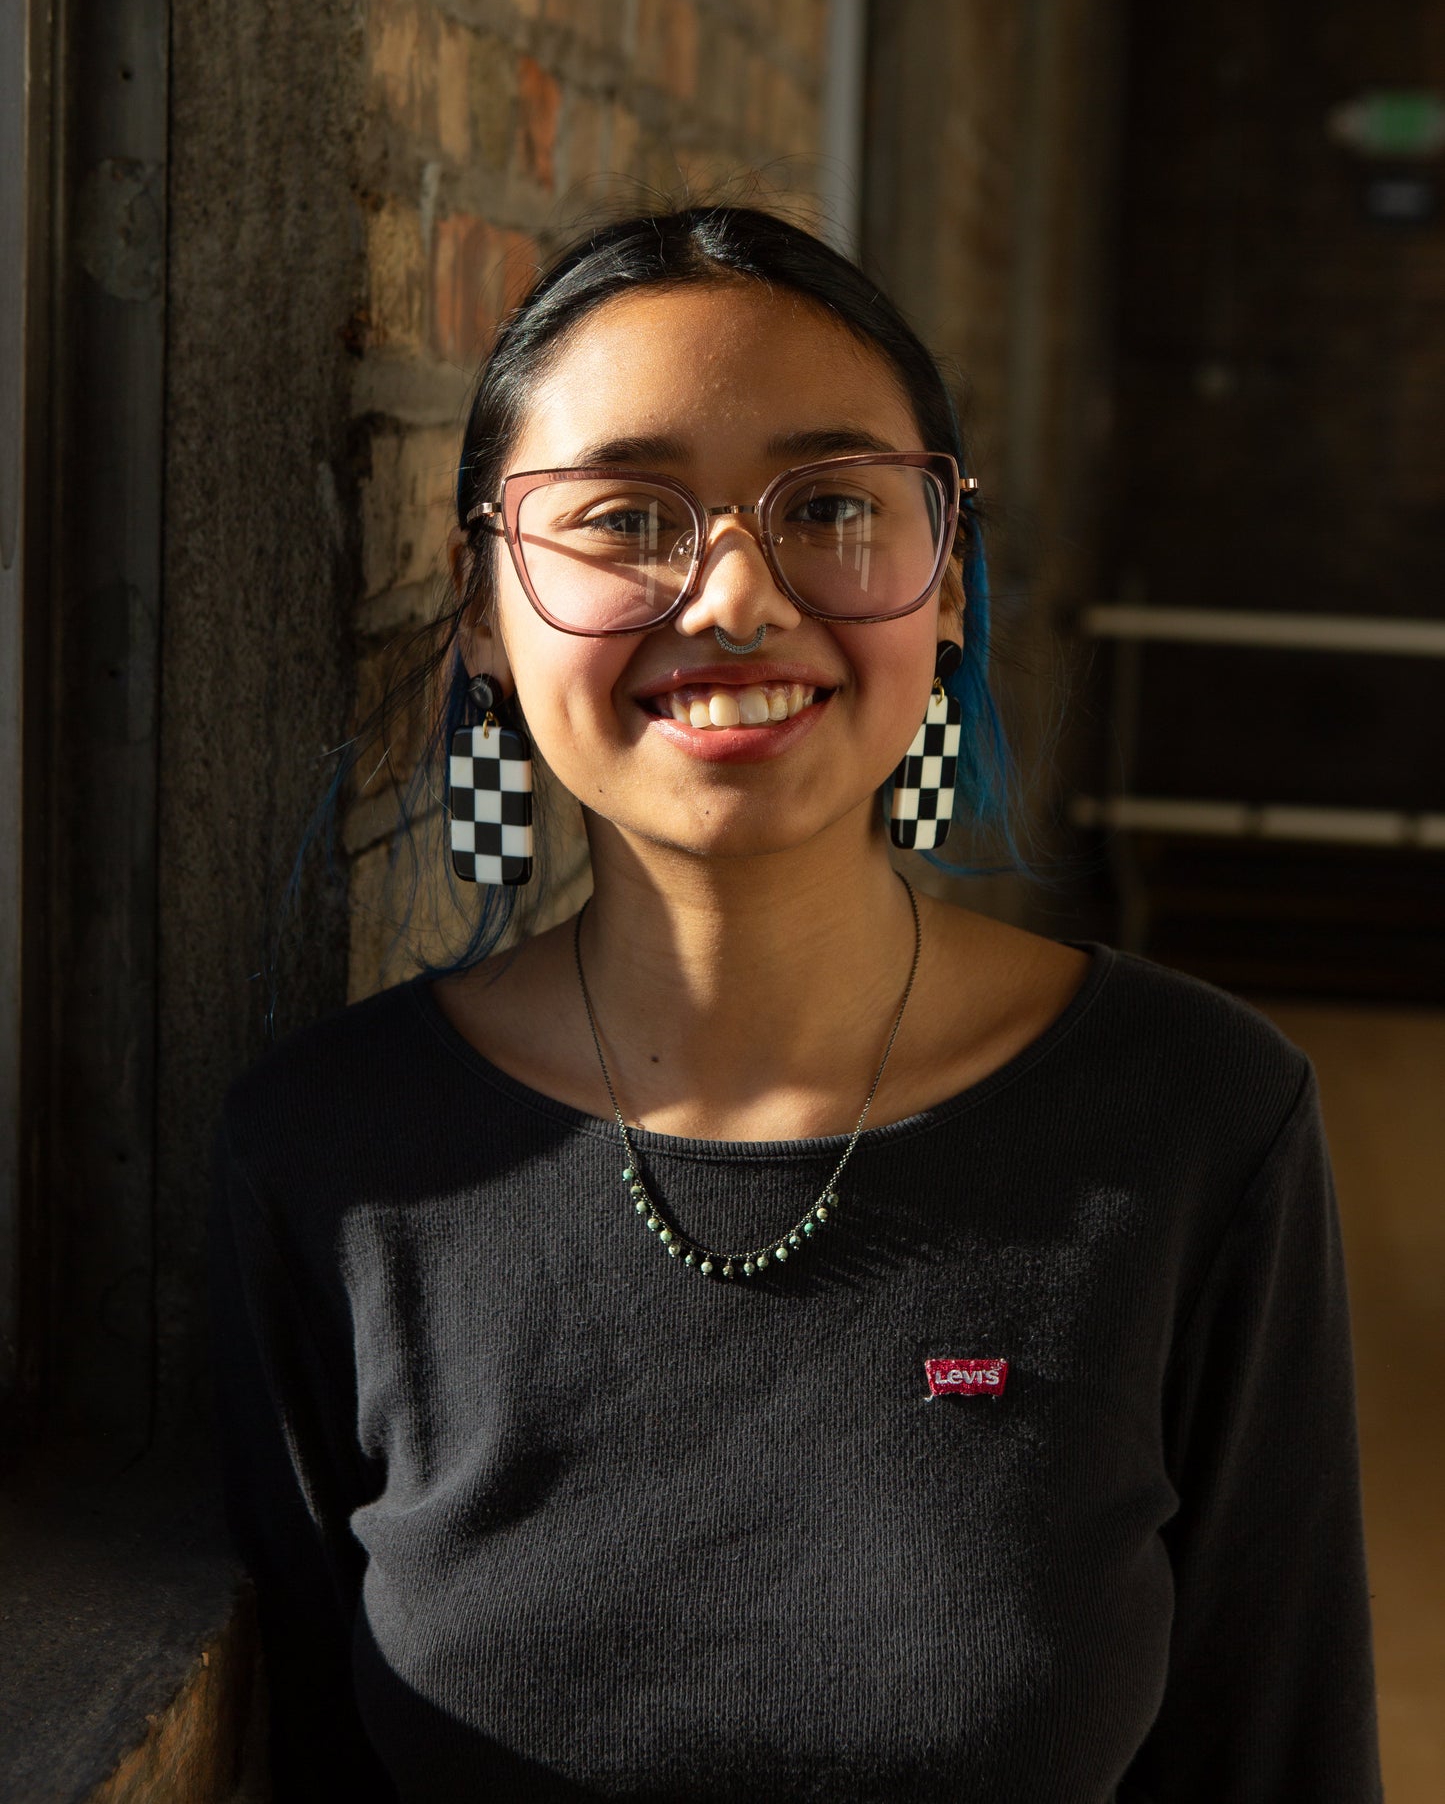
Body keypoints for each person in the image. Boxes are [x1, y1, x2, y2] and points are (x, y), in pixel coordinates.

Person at [211, 205, 1381, 1802]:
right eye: (625, 518)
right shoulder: (336, 1161)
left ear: (947, 584)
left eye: (830, 503)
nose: (735, 597)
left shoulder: (1193, 1119)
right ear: (483, 608)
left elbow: (1279, 1758)